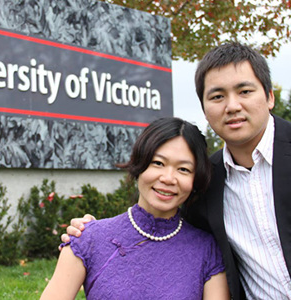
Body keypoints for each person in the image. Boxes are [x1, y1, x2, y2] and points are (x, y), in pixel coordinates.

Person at [63, 42, 291, 300]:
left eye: (244, 91)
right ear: (205, 109)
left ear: (270, 96)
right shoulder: (207, 184)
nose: (232, 106)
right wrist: (92, 235)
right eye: (217, 96)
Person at [41, 117, 230, 299]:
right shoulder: (86, 238)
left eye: (183, 169)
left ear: (195, 180)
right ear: (139, 165)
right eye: (158, 163)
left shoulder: (207, 250)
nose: (168, 178)